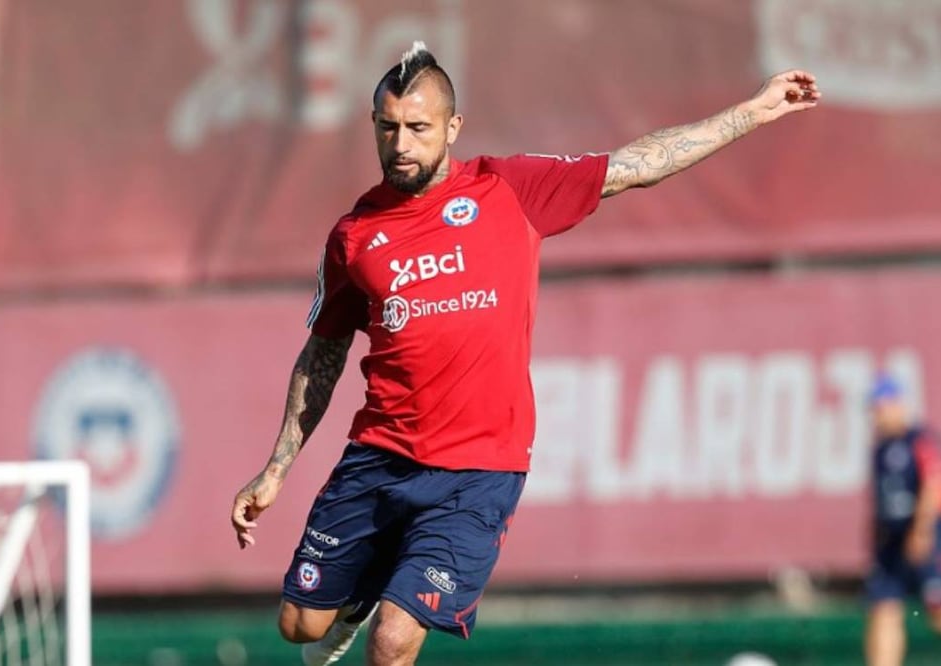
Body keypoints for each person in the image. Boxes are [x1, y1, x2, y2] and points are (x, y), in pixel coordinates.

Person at [230, 41, 821, 666]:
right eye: (388, 127)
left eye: (419, 128)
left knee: (393, 645)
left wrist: (752, 111)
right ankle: (352, 601)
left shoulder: (508, 189)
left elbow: (637, 164)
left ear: (453, 128)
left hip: (479, 470)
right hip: (379, 455)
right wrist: (275, 470)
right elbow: (323, 355)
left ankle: (373, 612)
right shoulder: (353, 235)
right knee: (299, 625)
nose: (402, 144)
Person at [864, 375, 941, 666]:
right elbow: (879, 502)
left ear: (898, 406)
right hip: (891, 544)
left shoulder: (918, 440)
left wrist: (922, 531)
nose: (877, 415)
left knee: (936, 611)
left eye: (882, 407)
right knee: (883, 610)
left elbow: (933, 484)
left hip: (925, 538)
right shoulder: (880, 449)